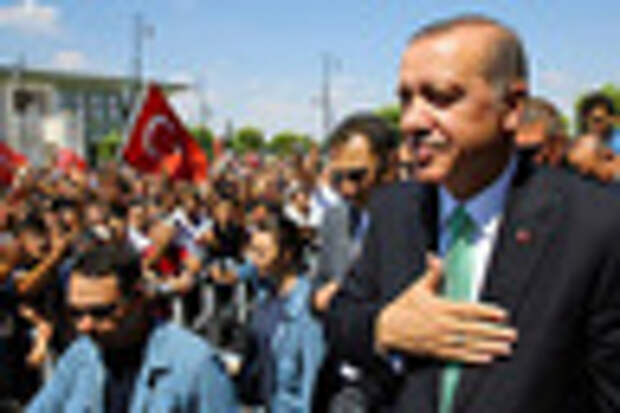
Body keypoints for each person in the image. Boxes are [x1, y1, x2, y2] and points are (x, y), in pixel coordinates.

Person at [326, 15, 620, 412]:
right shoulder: (395, 209)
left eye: (441, 97)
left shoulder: (595, 225)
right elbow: (343, 319)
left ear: (512, 107)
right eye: (406, 99)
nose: (412, 121)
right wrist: (385, 328)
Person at [27, 245, 237, 412]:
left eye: (101, 313)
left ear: (138, 299)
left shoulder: (194, 366)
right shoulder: (80, 358)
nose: (85, 325)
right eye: (75, 313)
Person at [237, 211, 324, 413]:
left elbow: (312, 381)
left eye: (262, 253)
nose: (255, 261)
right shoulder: (263, 297)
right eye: (253, 251)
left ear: (287, 255)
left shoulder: (306, 308)